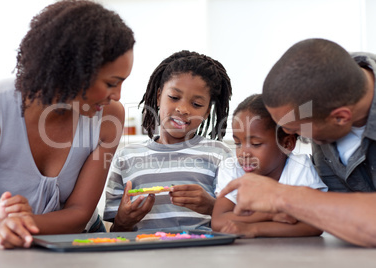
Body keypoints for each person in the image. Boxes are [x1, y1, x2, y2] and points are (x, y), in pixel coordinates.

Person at [0, 0, 135, 249]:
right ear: (72, 71)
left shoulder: (109, 117)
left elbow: (79, 213)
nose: (118, 96)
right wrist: (0, 227)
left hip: (78, 239)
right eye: (112, 83)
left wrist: (25, 221)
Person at [219, 38, 376, 247]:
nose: (288, 138)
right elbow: (339, 219)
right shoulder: (327, 88)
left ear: (340, 118)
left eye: (298, 131)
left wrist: (280, 197)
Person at [104, 50, 233, 232]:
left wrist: (212, 206)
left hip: (203, 255)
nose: (183, 109)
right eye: (174, 97)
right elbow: (115, 232)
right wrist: (123, 222)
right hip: (143, 254)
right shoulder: (127, 157)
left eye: (196, 104)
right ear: (158, 97)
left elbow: (238, 220)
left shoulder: (219, 154)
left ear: (206, 113)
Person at [212, 94, 327, 237]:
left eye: (255, 144)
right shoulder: (231, 168)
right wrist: (269, 215)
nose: (243, 153)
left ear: (287, 144)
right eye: (238, 144)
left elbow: (314, 225)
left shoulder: (299, 167)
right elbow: (218, 221)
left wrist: (252, 229)